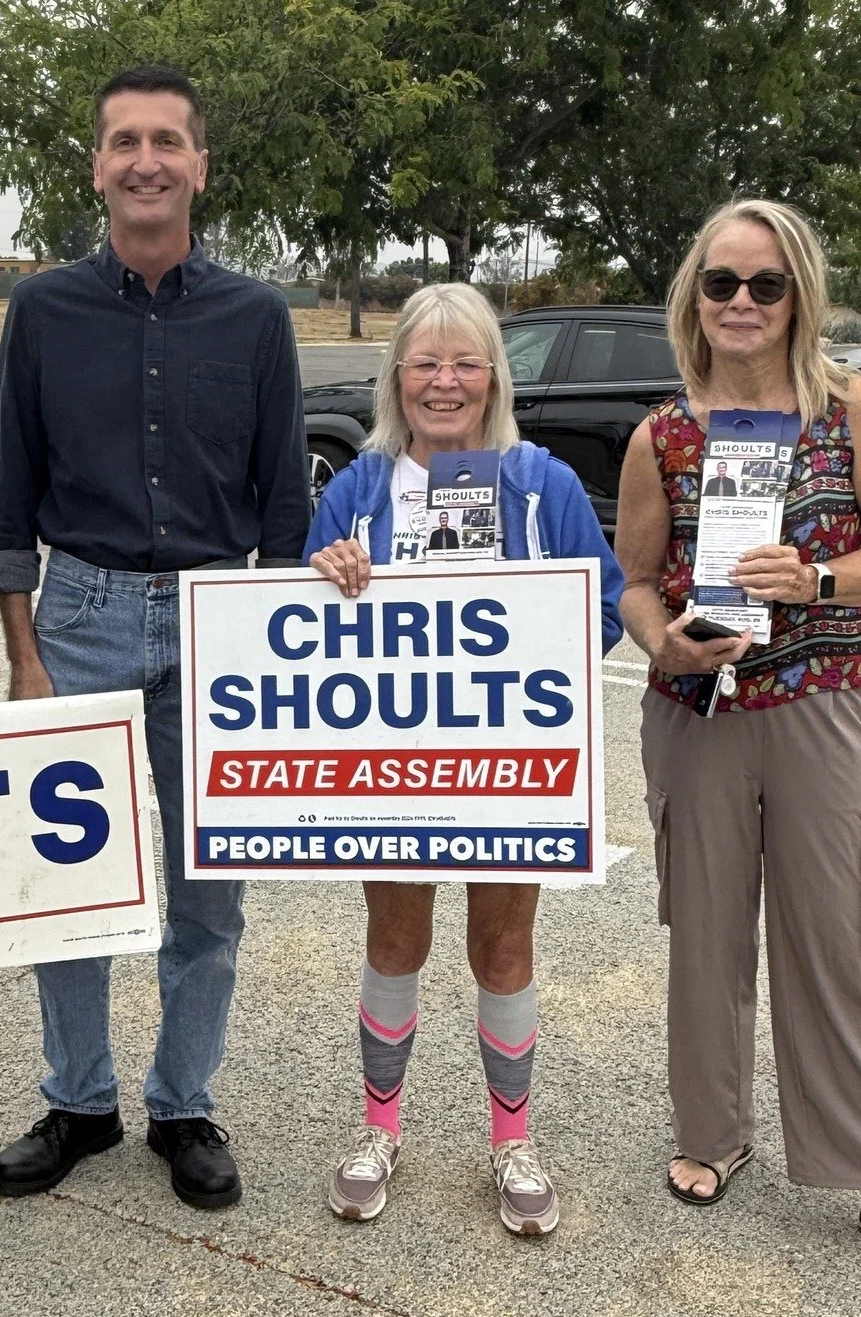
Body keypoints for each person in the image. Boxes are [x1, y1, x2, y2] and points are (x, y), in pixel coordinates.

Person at [0, 64, 310, 1210]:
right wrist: (24, 654)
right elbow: (11, 494)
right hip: (79, 619)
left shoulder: (258, 317)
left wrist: (273, 648)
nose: (146, 161)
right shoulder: (43, 309)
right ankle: (78, 1100)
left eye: (167, 140)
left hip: (223, 620)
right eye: (124, 141)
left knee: (206, 889)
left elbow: (284, 504)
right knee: (68, 883)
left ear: (199, 166)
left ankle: (184, 1104)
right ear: (98, 165)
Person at [306, 284, 623, 1235]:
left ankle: (511, 1138)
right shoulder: (357, 489)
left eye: (466, 360)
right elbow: (296, 622)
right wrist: (326, 579)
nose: (445, 381)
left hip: (505, 767)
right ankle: (379, 1128)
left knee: (503, 948)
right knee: (396, 942)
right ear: (396, 373)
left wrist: (529, 637)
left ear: (495, 374)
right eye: (426, 361)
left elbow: (600, 609)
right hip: (393, 767)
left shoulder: (541, 483)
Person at [614, 198, 861, 1213]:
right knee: (706, 933)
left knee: (834, 932)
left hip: (821, 700)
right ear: (695, 297)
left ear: (800, 293)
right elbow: (632, 579)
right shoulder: (663, 435)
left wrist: (821, 584)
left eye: (766, 283)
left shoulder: (846, 414)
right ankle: (711, 1135)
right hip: (696, 708)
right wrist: (655, 637)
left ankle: (845, 1151)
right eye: (722, 282)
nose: (743, 301)